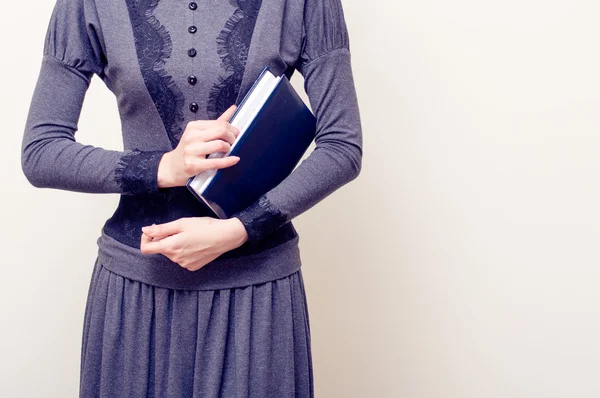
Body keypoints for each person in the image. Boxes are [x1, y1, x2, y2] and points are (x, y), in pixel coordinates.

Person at [22, 0, 363, 395]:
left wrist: (240, 229)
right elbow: (41, 151)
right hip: (137, 295)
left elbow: (342, 147)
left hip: (256, 296)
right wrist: (163, 166)